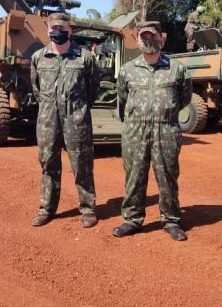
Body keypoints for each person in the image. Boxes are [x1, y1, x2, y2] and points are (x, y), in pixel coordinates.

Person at [113, 21, 193, 241]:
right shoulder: (127, 70)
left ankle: (171, 220)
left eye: (153, 36)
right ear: (137, 40)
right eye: (144, 36)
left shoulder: (177, 69)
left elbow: (184, 98)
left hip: (166, 130)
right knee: (134, 175)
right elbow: (122, 98)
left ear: (162, 38)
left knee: (167, 176)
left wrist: (163, 115)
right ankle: (132, 219)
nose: (149, 40)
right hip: (135, 131)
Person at [30, 12, 99, 228]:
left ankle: (88, 208)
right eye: (53, 29)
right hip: (47, 119)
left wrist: (77, 107)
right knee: (48, 162)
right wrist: (51, 105)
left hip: (76, 119)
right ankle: (46, 209)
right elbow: (36, 89)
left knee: (82, 164)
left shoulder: (85, 57)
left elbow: (93, 89)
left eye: (62, 29)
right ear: (48, 30)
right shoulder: (38, 58)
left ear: (70, 30)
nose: (57, 32)